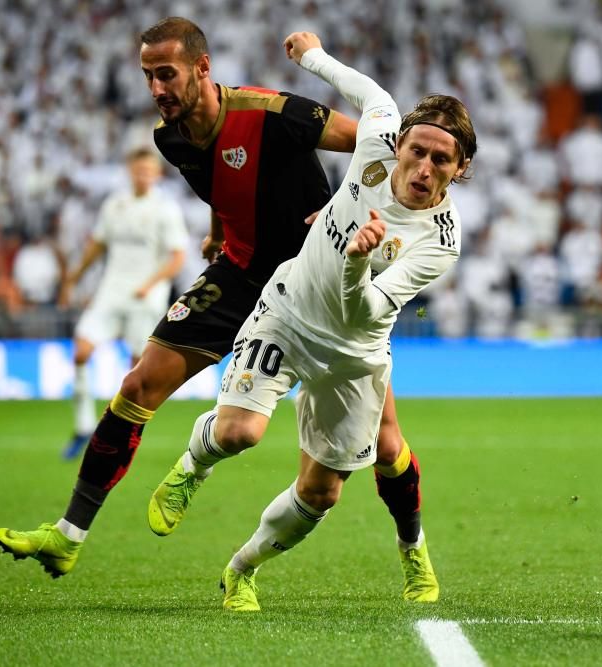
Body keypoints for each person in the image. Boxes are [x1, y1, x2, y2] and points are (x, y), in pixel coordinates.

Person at [0, 18, 440, 602]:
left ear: (202, 69)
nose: (156, 88)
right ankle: (68, 534)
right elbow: (218, 184)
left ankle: (414, 549)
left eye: (166, 74)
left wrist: (344, 219)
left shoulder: (272, 113)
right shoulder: (170, 137)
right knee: (139, 384)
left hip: (319, 275)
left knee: (384, 446)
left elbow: (377, 147)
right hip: (243, 273)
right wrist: (217, 231)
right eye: (148, 76)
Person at [146, 30, 475, 611]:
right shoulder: (376, 140)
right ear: (399, 144)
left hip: (355, 353)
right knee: (238, 433)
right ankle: (191, 465)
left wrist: (353, 265)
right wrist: (314, 57)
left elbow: (368, 309)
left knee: (321, 494)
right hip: (289, 312)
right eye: (416, 150)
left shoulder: (440, 242)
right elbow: (369, 90)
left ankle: (242, 568)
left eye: (440, 160)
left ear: (460, 169)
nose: (423, 167)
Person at [60, 147, 188, 459]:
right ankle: (82, 426)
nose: (143, 175)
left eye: (149, 170)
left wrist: (150, 285)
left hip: (146, 298)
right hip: (111, 292)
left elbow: (177, 258)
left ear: (157, 174)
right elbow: (97, 245)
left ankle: (121, 435)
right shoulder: (114, 205)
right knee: (81, 352)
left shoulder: (165, 209)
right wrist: (74, 278)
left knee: (136, 374)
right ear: (130, 171)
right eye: (138, 170)